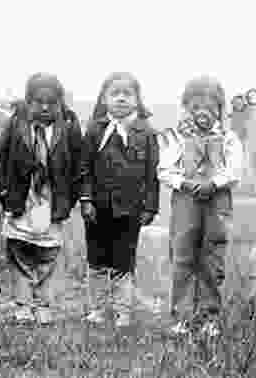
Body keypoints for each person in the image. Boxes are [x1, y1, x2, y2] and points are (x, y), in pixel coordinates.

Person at [0, 73, 84, 324]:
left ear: (60, 103)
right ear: (28, 101)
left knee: (48, 253)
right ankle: (23, 304)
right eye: (37, 101)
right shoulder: (16, 124)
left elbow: (78, 165)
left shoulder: (68, 127)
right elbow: (0, 158)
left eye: (51, 102)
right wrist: (3, 192)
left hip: (50, 199)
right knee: (19, 251)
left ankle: (44, 304)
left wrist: (70, 199)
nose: (44, 107)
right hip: (22, 197)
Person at [158, 76, 243, 337]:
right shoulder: (177, 137)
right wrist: (182, 183)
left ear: (220, 109)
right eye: (195, 108)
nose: (202, 113)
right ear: (186, 109)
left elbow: (234, 171)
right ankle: (182, 317)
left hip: (217, 200)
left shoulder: (228, 138)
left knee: (212, 256)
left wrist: (214, 183)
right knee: (183, 255)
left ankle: (208, 317)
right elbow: (163, 169)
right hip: (186, 200)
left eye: (210, 107)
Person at [80, 72, 160, 327]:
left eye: (128, 93)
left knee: (123, 260)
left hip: (130, 209)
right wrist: (86, 199)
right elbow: (85, 168)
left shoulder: (146, 132)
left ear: (138, 99)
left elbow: (152, 172)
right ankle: (96, 308)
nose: (122, 98)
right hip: (98, 207)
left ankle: (122, 311)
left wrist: (150, 205)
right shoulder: (94, 129)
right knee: (97, 258)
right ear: (104, 99)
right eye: (115, 93)